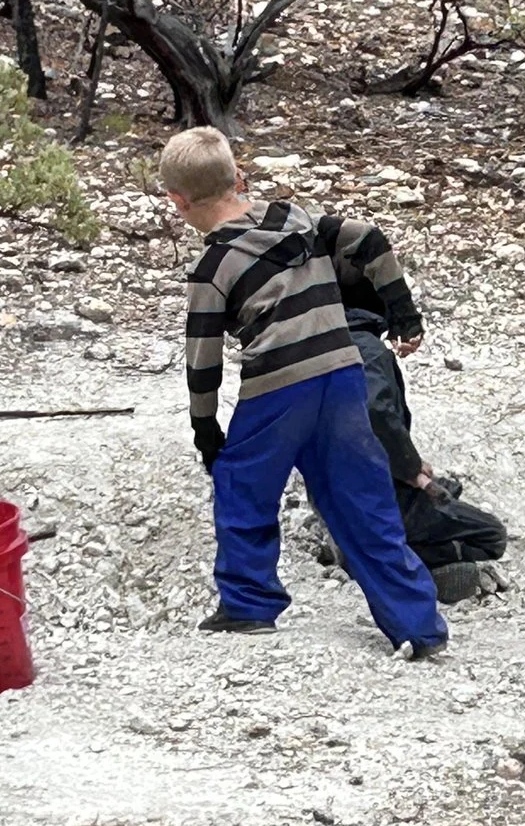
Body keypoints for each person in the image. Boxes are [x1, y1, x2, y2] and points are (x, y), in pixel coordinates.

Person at [162, 127, 448, 655]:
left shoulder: (212, 267)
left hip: (277, 387)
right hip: (343, 378)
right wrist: (403, 310)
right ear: (239, 178)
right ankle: (418, 626)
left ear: (176, 201)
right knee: (362, 499)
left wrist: (206, 428)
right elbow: (369, 239)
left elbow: (202, 360)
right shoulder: (295, 218)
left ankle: (248, 606)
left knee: (242, 485)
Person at [335, 266, 506, 604]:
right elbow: (376, 412)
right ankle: (384, 558)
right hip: (380, 497)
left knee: (449, 491)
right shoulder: (367, 350)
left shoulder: (320, 345)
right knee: (493, 536)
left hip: (339, 491)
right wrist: (412, 470)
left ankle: (368, 545)